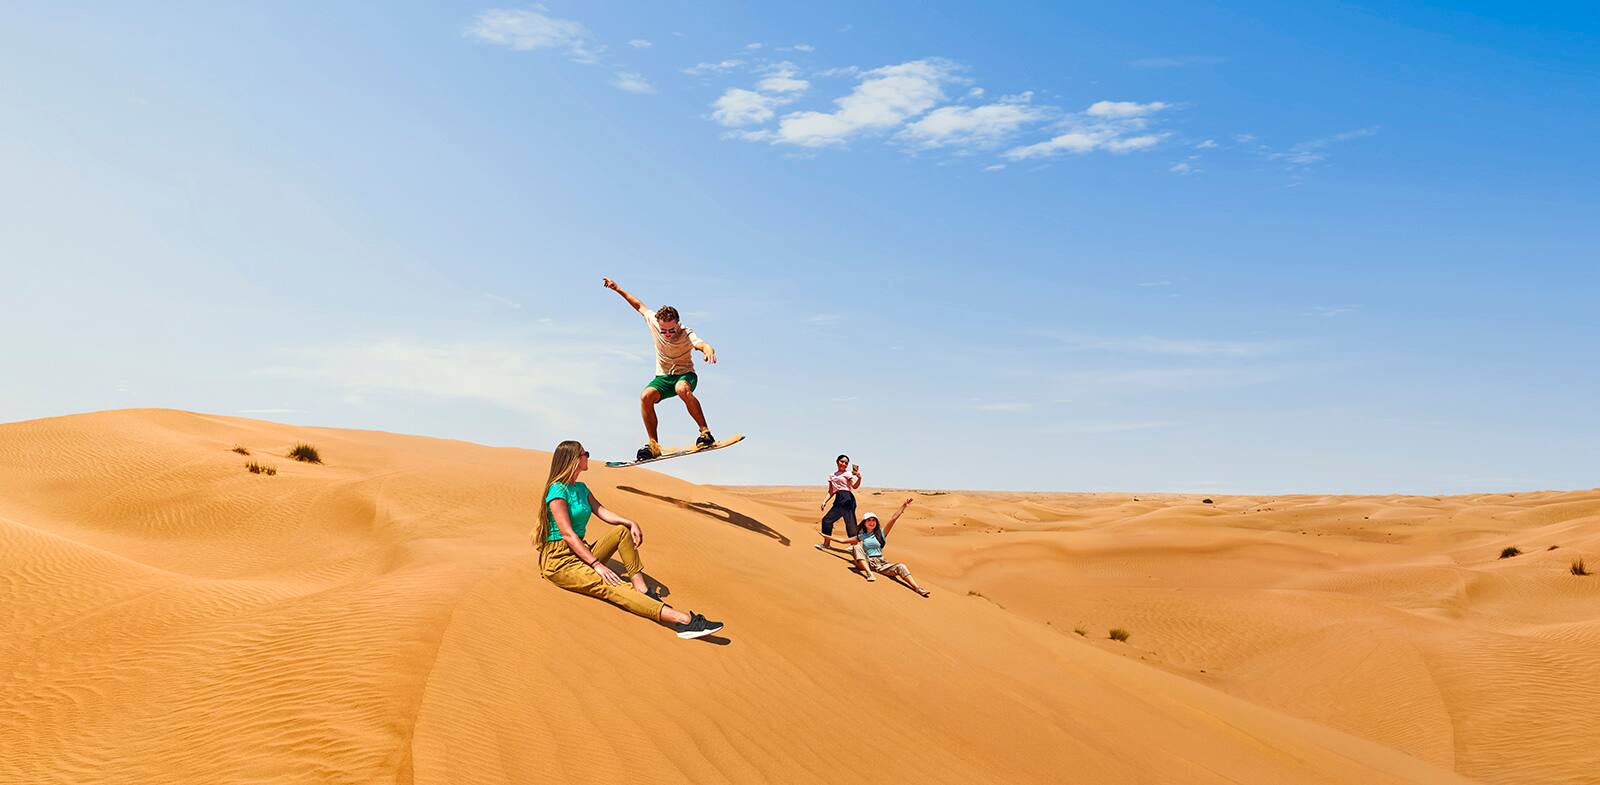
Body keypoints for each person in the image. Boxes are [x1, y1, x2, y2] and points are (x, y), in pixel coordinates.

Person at [532, 439, 725, 639]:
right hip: (560, 561)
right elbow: (568, 535)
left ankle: (642, 590)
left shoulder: (581, 488)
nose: (587, 456)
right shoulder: (557, 490)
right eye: (585, 454)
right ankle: (683, 621)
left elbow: (603, 512)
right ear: (573, 459)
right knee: (612, 585)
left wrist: (630, 522)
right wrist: (597, 564)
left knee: (622, 531)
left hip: (581, 552)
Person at [602, 277, 719, 461]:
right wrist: (617, 289)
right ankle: (654, 445)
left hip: (685, 375)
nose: (667, 334)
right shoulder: (654, 322)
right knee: (645, 396)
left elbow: (702, 344)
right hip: (663, 377)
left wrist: (708, 350)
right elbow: (638, 305)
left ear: (677, 324)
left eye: (671, 330)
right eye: (664, 331)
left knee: (682, 390)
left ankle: (705, 433)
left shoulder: (686, 333)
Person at [822, 498, 931, 597]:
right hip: (867, 562)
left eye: (873, 520)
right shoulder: (861, 536)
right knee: (856, 547)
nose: (871, 522)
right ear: (864, 523)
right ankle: (869, 574)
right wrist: (827, 537)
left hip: (881, 564)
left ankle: (917, 588)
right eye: (868, 520)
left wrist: (904, 506)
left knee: (901, 566)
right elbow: (843, 541)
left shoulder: (881, 534)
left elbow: (893, 519)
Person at [817, 454, 861, 550]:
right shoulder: (832, 475)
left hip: (847, 498)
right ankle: (826, 543)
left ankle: (855, 546)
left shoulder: (848, 474)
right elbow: (831, 491)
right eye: (842, 461)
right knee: (826, 520)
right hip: (838, 498)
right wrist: (824, 501)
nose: (844, 464)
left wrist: (859, 478)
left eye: (846, 463)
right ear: (837, 461)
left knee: (850, 522)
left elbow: (854, 486)